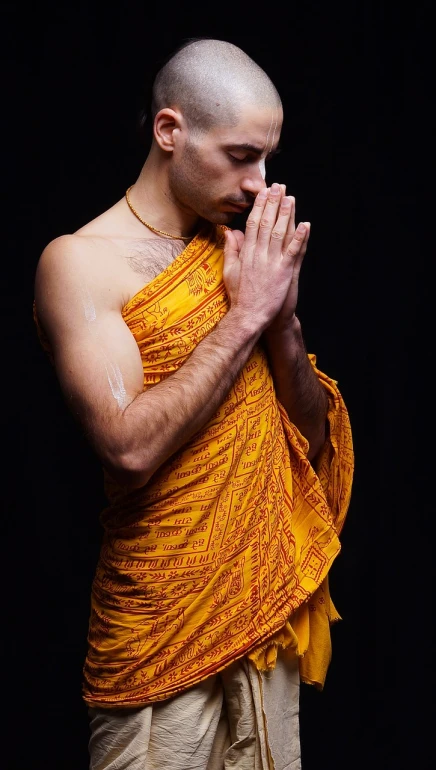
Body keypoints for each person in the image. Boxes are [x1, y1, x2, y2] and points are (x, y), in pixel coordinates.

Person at [33, 37, 354, 770]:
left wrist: (281, 324)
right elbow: (128, 448)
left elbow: (307, 445)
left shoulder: (239, 260)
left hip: (258, 612)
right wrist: (244, 319)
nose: (258, 182)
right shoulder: (80, 263)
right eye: (241, 156)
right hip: (161, 622)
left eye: (267, 159)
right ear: (169, 131)